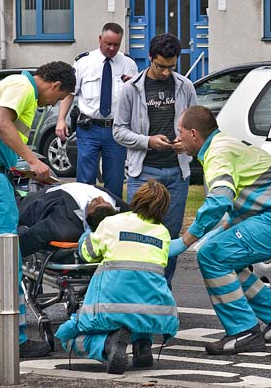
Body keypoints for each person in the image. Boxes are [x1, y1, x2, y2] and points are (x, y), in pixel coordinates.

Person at [169, 106, 271, 355]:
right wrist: (217, 232)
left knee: (212, 256)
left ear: (193, 133)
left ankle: (243, 332)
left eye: (180, 132)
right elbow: (246, 200)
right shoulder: (224, 144)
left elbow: (219, 200)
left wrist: (185, 241)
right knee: (221, 255)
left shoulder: (217, 154)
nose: (178, 138)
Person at [0, 62, 76, 359]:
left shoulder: (13, 84)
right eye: (57, 98)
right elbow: (1, 124)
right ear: (55, 86)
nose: (50, 104)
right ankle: (12, 339)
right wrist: (33, 161)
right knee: (6, 259)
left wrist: (21, 167)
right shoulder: (24, 88)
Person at [56, 179, 179, 375]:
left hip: (110, 303)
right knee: (139, 301)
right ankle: (143, 346)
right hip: (155, 307)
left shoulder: (111, 222)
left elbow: (88, 253)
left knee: (67, 338)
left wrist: (86, 236)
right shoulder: (163, 233)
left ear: (136, 200)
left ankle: (107, 344)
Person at [114, 33, 197, 287]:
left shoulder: (185, 86)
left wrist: (187, 144)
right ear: (150, 59)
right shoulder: (131, 89)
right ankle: (137, 291)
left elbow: (196, 128)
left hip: (177, 174)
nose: (165, 72)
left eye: (171, 67)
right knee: (138, 235)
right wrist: (148, 141)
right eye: (160, 66)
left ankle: (163, 291)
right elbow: (118, 130)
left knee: (169, 238)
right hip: (144, 174)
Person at [56, 23, 138, 198]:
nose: (111, 48)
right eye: (108, 43)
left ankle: (112, 218)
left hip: (116, 130)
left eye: (116, 44)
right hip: (89, 129)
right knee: (85, 180)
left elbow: (135, 98)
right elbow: (70, 93)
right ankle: (84, 219)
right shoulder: (83, 62)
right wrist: (61, 119)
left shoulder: (128, 64)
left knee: (115, 180)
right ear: (100, 39)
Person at [17, 182, 131, 256]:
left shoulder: (63, 226)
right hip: (62, 185)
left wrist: (7, 254)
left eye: (96, 203)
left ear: (89, 216)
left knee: (14, 209)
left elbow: (32, 237)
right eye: (105, 202)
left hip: (45, 199)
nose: (100, 198)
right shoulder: (123, 210)